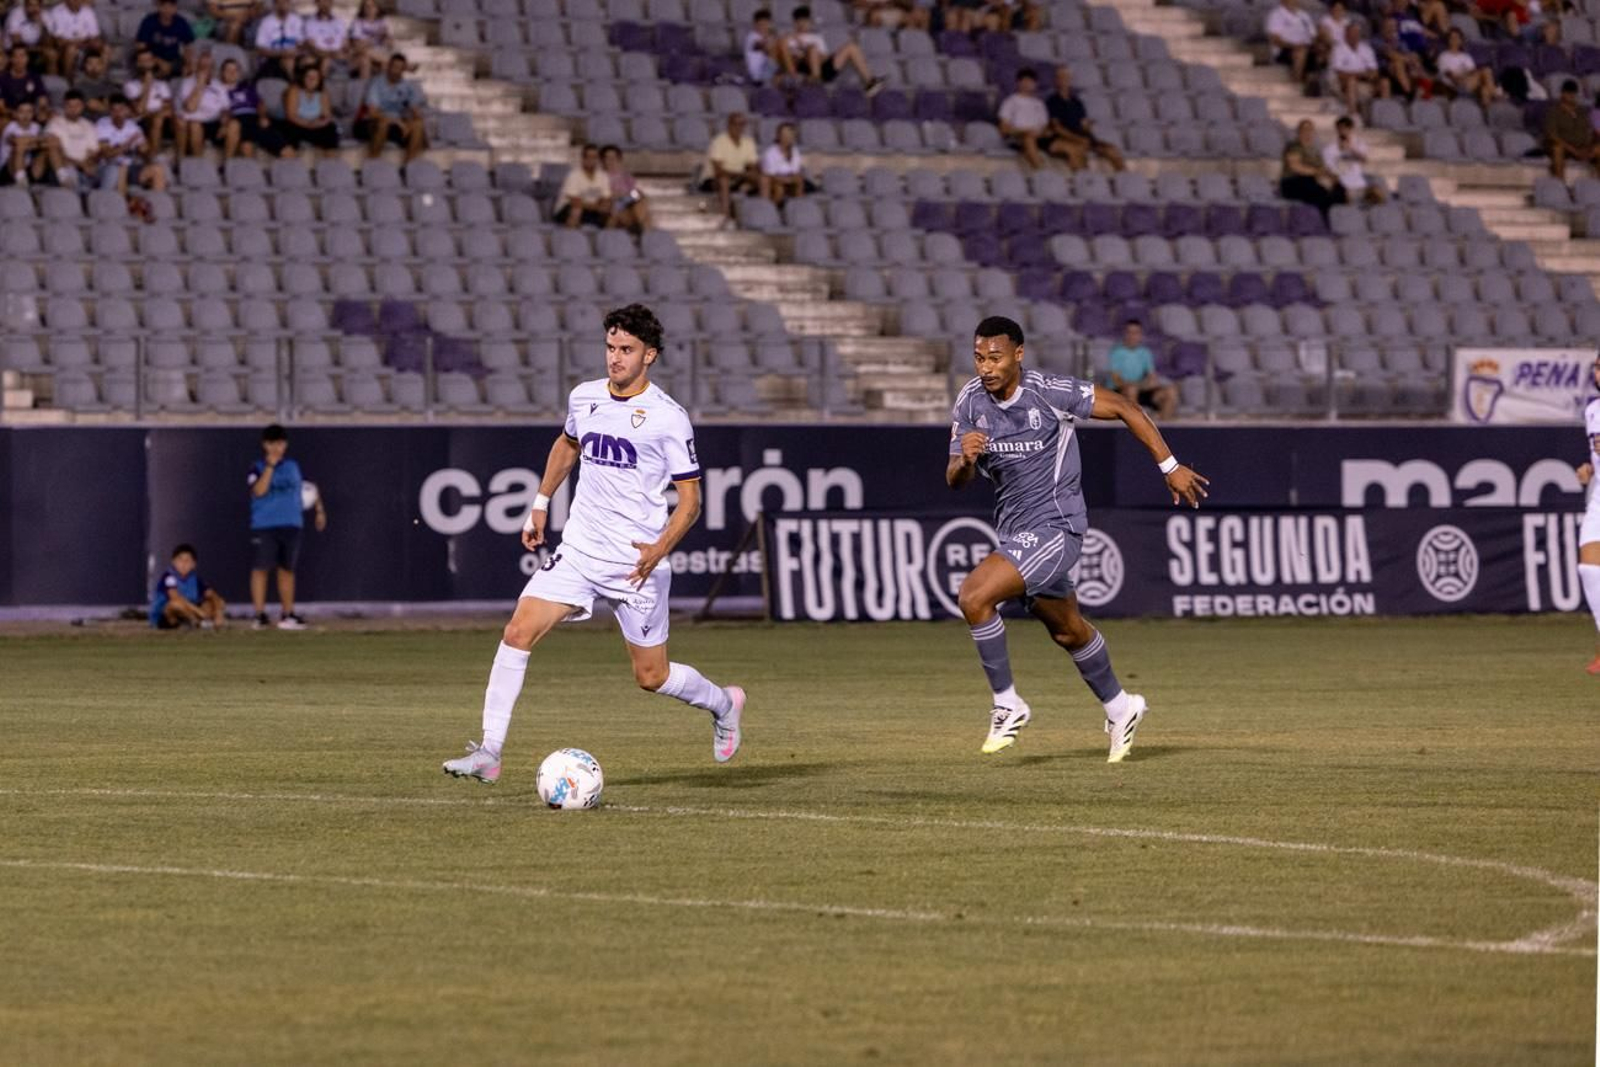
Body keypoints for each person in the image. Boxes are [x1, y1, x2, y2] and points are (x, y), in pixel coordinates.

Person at [440, 304, 747, 784]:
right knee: (518, 632)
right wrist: (540, 501)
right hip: (579, 550)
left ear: (650, 356)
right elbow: (567, 445)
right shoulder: (584, 398)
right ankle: (490, 752)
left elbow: (690, 501)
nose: (615, 358)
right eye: (610, 347)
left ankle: (724, 704)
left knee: (652, 677)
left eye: (626, 350)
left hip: (635, 563)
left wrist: (658, 549)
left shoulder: (668, 418)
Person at [947, 316, 1207, 762]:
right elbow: (954, 479)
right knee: (1068, 632)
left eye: (995, 357)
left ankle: (1008, 704)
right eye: (978, 357)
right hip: (1015, 531)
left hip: (1056, 527)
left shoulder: (1050, 392)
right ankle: (1121, 707)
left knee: (974, 596)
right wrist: (967, 460)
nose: (985, 367)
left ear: (1018, 355)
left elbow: (1128, 408)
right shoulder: (970, 402)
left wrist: (1170, 467)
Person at [247, 423, 327, 630]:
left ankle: (287, 614)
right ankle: (259, 615)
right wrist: (270, 467)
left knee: (287, 569)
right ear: (265, 445)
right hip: (265, 524)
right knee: (261, 568)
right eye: (272, 443)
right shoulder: (257, 467)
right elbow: (259, 491)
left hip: (291, 522)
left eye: (280, 443)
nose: (276, 448)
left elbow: (307, 489)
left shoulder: (292, 466)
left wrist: (319, 510)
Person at [784, 5, 883, 95]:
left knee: (851, 47)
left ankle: (870, 82)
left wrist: (818, 56)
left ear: (809, 22)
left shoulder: (816, 37)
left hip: (824, 67)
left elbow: (824, 56)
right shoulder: (789, 39)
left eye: (805, 21)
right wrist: (805, 51)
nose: (802, 24)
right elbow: (790, 59)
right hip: (806, 70)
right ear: (795, 23)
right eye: (799, 21)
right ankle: (816, 83)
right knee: (812, 49)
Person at [1043, 65, 1124, 172]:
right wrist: (1078, 139)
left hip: (1082, 136)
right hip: (1065, 138)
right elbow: (1057, 128)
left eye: (1066, 77)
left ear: (1070, 79)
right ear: (1056, 80)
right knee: (1077, 150)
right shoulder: (1051, 101)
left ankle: (1124, 177)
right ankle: (1084, 181)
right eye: (1060, 77)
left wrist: (1089, 131)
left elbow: (1084, 125)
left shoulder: (1077, 102)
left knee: (1112, 150)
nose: (1064, 80)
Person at [1577, 355, 1600, 674]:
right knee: (1589, 570)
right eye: (1597, 366)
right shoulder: (1592, 410)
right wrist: (1588, 470)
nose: (1599, 372)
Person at [95, 93, 168, 192]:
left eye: (121, 110)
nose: (117, 114)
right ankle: (121, 205)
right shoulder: (102, 124)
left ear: (127, 110)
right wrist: (127, 145)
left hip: (131, 167)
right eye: (114, 110)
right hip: (109, 168)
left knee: (157, 169)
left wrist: (146, 151)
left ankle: (158, 204)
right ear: (110, 111)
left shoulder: (133, 126)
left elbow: (145, 150)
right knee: (121, 168)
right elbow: (107, 154)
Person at [360, 52, 426, 161]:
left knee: (418, 125)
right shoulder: (376, 83)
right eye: (394, 67)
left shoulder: (407, 86)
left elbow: (415, 111)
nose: (396, 71)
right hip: (372, 122)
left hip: (396, 125)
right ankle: (373, 163)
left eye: (400, 68)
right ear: (388, 67)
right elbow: (373, 112)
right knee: (383, 124)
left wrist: (411, 121)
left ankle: (408, 166)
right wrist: (396, 121)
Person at [220, 56, 290, 157]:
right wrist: (224, 123)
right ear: (222, 73)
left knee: (286, 150)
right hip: (237, 120)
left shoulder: (248, 87)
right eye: (228, 70)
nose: (232, 73)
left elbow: (260, 103)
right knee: (246, 146)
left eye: (235, 70)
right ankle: (228, 167)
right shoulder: (218, 89)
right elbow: (222, 111)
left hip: (254, 118)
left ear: (240, 72)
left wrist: (262, 116)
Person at [1107, 320, 1177, 419]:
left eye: (1136, 333)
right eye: (1129, 332)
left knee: (1170, 391)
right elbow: (1116, 380)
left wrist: (1146, 384)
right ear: (1125, 334)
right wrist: (1133, 386)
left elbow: (1152, 377)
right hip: (1121, 391)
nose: (1132, 336)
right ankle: (1134, 428)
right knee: (1132, 390)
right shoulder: (1116, 352)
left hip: (1141, 389)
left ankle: (1162, 428)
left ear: (1140, 335)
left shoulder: (1145, 352)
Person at [149, 544, 227, 630]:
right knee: (175, 605)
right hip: (165, 617)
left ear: (193, 564)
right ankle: (196, 622)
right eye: (180, 560)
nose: (183, 564)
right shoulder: (169, 577)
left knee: (212, 603)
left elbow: (212, 594)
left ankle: (202, 623)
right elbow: (176, 598)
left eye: (187, 561)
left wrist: (218, 613)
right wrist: (199, 612)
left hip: (190, 611)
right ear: (173, 562)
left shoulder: (195, 579)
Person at [701, 111, 759, 224]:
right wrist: (743, 175)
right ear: (729, 125)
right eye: (735, 124)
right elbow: (718, 171)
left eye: (742, 124)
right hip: (713, 179)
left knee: (762, 178)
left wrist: (749, 177)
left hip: (737, 178)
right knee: (724, 180)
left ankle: (761, 214)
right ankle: (725, 217)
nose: (738, 127)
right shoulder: (719, 142)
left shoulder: (748, 142)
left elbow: (752, 166)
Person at [1281, 119, 1344, 220]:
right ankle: (1321, 222)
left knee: (1339, 189)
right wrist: (1317, 172)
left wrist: (1332, 177)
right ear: (1299, 131)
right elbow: (1295, 166)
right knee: (1319, 192)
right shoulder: (1294, 146)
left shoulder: (1315, 151)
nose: (1308, 132)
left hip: (1309, 182)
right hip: (1292, 182)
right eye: (1305, 129)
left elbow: (1323, 169)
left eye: (1310, 129)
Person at [175, 49, 229, 156]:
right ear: (197, 67)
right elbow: (190, 108)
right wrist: (200, 85)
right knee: (195, 125)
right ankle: (196, 162)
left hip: (213, 122)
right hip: (192, 121)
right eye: (203, 66)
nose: (206, 69)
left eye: (209, 66)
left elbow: (225, 109)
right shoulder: (187, 82)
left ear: (213, 69)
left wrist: (224, 124)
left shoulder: (218, 85)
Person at [123, 45, 175, 156]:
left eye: (149, 60)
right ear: (137, 64)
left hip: (163, 120)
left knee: (163, 118)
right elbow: (140, 110)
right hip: (141, 121)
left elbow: (168, 107)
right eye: (143, 61)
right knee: (157, 119)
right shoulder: (130, 85)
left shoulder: (162, 84)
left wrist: (156, 112)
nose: (147, 64)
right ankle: (154, 156)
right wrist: (147, 84)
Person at [996, 66, 1052, 170]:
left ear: (1035, 84)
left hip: (1038, 137)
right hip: (1018, 137)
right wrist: (1024, 131)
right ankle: (1042, 172)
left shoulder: (1039, 104)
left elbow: (1045, 127)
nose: (1027, 84)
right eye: (1024, 81)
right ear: (1018, 83)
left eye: (1030, 81)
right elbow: (1003, 129)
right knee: (1028, 138)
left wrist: (1041, 133)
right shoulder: (1010, 101)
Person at [1322, 115, 1384, 204]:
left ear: (1351, 129)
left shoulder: (1359, 143)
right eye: (1340, 129)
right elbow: (1328, 168)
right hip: (1342, 184)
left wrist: (1351, 149)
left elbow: (1364, 160)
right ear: (1337, 130)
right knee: (1345, 196)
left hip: (1359, 183)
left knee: (1377, 192)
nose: (1343, 131)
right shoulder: (1329, 148)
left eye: (1346, 128)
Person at [1545, 79, 1598, 179]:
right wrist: (1574, 150)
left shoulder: (1581, 112)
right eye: (1568, 93)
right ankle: (1560, 185)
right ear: (1562, 94)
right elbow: (1553, 135)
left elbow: (1588, 131)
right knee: (1557, 149)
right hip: (1566, 148)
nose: (1571, 96)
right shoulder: (1554, 112)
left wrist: (1588, 148)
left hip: (1582, 147)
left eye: (1573, 93)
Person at [282, 62, 339, 154]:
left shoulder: (323, 92)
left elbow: (327, 115)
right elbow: (291, 115)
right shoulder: (294, 90)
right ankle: (293, 162)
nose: (312, 80)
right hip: (297, 124)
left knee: (331, 130)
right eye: (308, 77)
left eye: (315, 77)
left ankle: (331, 161)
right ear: (303, 78)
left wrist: (319, 123)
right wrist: (308, 124)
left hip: (316, 124)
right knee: (289, 130)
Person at [44, 88, 97, 186]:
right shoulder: (55, 123)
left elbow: (92, 151)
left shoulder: (88, 125)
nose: (73, 109)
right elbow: (54, 152)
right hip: (64, 167)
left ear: (82, 107)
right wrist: (79, 164)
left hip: (85, 167)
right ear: (64, 106)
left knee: (111, 169)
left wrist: (87, 164)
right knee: (71, 172)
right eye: (69, 106)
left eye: (77, 105)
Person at [554, 142, 614, 228]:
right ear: (583, 159)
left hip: (591, 209)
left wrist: (604, 206)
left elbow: (606, 198)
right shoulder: (574, 175)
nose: (592, 160)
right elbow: (575, 201)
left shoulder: (603, 176)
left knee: (613, 212)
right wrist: (597, 207)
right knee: (576, 210)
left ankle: (606, 239)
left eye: (595, 157)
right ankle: (570, 238)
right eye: (589, 157)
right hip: (566, 210)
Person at [1330, 23, 1383, 119]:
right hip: (1343, 82)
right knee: (1352, 82)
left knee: (1384, 83)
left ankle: (1382, 117)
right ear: (1346, 34)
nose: (1355, 35)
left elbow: (1374, 71)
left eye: (1357, 33)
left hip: (1364, 81)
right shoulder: (1338, 49)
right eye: (1352, 33)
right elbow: (1340, 73)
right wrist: (1360, 74)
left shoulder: (1367, 49)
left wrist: (1365, 75)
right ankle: (1353, 115)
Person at [1265, 0, 1318, 91]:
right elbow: (1275, 39)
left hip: (1305, 47)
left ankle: (1313, 86)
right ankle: (1296, 85)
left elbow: (1313, 35)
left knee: (1321, 52)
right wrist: (1293, 46)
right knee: (1300, 52)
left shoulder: (1304, 15)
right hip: (1284, 50)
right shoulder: (1276, 15)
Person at [1436, 28, 1494, 109]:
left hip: (1468, 81)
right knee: (1485, 71)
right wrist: (1463, 76)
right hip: (1453, 86)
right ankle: (1495, 92)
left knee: (1485, 89)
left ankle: (1487, 113)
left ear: (1460, 41)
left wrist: (1465, 76)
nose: (1454, 40)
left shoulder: (1466, 56)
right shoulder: (1443, 56)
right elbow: (1449, 74)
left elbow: (1473, 72)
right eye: (1452, 38)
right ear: (1448, 40)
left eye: (1457, 38)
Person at [43, 0, 102, 79]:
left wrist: (83, 43)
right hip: (63, 49)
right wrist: (81, 42)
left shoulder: (88, 11)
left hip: (85, 46)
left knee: (106, 49)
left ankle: (100, 80)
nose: (76, 1)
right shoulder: (57, 12)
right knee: (71, 49)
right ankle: (68, 82)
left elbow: (94, 36)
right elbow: (59, 41)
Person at [134, 0, 193, 78]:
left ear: (175, 8)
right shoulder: (149, 21)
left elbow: (188, 46)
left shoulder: (181, 22)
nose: (167, 10)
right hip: (153, 58)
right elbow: (141, 47)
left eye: (171, 7)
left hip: (173, 59)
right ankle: (152, 81)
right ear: (158, 7)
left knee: (189, 69)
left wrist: (189, 64)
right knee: (144, 62)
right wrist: (159, 62)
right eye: (164, 7)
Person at [601, 143, 651, 233]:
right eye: (608, 158)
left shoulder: (625, 175)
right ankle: (637, 228)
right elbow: (604, 194)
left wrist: (628, 195)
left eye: (614, 158)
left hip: (627, 200)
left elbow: (634, 192)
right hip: (613, 203)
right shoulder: (600, 176)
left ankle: (638, 227)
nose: (611, 161)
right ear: (603, 160)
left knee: (640, 198)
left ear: (619, 159)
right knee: (619, 207)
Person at [253, 0, 305, 83]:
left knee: (309, 60)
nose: (282, 6)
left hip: (294, 56)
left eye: (285, 2)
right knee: (288, 61)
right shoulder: (266, 22)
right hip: (273, 58)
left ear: (289, 4)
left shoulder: (296, 20)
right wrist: (282, 53)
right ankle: (294, 86)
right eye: (279, 3)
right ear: (274, 5)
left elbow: (302, 44)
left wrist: (297, 51)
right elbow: (260, 50)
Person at [0, 95, 46, 184]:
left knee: (47, 149)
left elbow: (45, 142)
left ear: (33, 114)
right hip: (8, 168)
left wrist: (33, 142)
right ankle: (20, 179)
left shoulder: (36, 127)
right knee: (20, 146)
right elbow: (16, 141)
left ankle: (63, 177)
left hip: (27, 165)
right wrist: (34, 142)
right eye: (22, 112)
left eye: (29, 112)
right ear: (16, 114)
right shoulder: (11, 127)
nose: (25, 115)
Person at [759, 120, 806, 204]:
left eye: (791, 134)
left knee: (800, 180)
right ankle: (772, 209)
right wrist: (787, 180)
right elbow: (771, 176)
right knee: (779, 189)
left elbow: (795, 172)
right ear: (779, 136)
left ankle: (798, 205)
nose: (789, 137)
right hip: (774, 181)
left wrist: (791, 179)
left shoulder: (795, 151)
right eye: (786, 134)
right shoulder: (770, 153)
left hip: (789, 180)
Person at [744, 8, 792, 85]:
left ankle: (790, 74)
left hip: (771, 70)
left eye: (766, 24)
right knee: (780, 45)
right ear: (755, 25)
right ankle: (791, 74)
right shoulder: (752, 37)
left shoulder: (769, 36)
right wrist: (777, 38)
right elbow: (766, 47)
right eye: (760, 25)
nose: (763, 27)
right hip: (760, 74)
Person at [303, 0, 349, 75]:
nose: (325, 4)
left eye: (328, 1)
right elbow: (311, 46)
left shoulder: (339, 22)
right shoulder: (310, 22)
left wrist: (344, 51)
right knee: (325, 60)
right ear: (317, 3)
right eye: (322, 1)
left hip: (339, 56)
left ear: (331, 3)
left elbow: (345, 43)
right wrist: (329, 54)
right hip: (320, 56)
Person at [347, 0, 389, 82]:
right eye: (367, 6)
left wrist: (387, 39)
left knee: (383, 64)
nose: (370, 9)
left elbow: (387, 43)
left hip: (378, 57)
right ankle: (364, 91)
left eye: (373, 6)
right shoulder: (357, 23)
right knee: (365, 58)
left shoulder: (382, 23)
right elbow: (358, 47)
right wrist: (375, 37)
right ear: (362, 9)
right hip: (358, 57)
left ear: (377, 8)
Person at [0, 43, 43, 113]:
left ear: (27, 58)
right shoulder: (2, 79)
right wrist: (18, 114)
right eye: (16, 57)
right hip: (10, 117)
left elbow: (42, 99)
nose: (19, 60)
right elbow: (1, 107)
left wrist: (38, 110)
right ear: (11, 59)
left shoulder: (35, 77)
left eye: (22, 56)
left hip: (31, 116)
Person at [72, 49, 116, 116]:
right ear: (84, 65)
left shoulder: (109, 84)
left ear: (102, 66)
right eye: (90, 63)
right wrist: (110, 109)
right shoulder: (78, 86)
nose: (94, 67)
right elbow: (93, 105)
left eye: (98, 63)